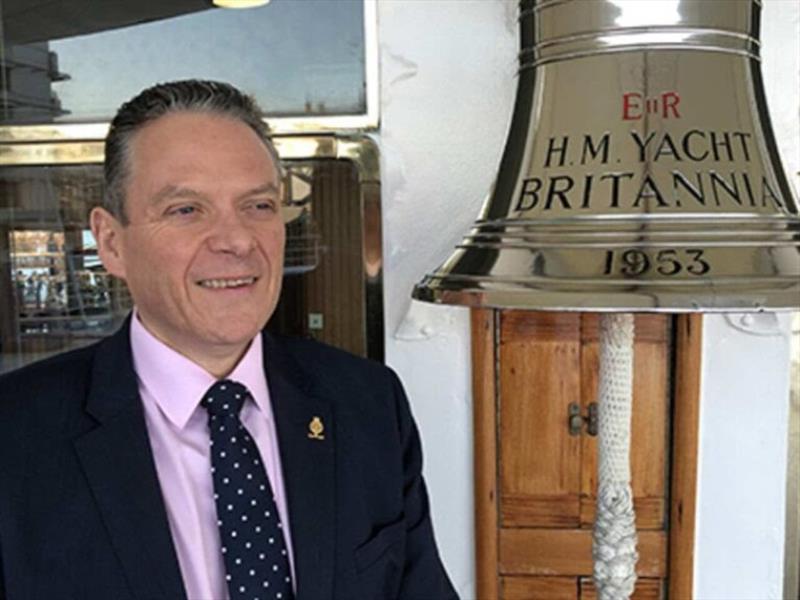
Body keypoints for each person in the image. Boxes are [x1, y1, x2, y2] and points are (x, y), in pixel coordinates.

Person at [0, 80, 458, 600]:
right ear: (111, 243)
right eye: (186, 210)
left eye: (259, 206)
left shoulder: (368, 404)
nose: (237, 240)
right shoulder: (15, 439)